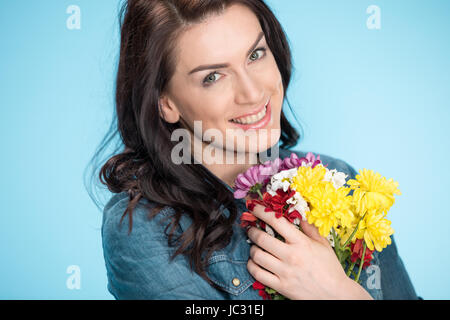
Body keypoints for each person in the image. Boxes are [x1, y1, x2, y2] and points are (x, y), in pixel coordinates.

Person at [92, 0, 419, 299]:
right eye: (213, 76)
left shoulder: (341, 180)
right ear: (165, 103)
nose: (252, 92)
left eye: (255, 55)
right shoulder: (144, 228)